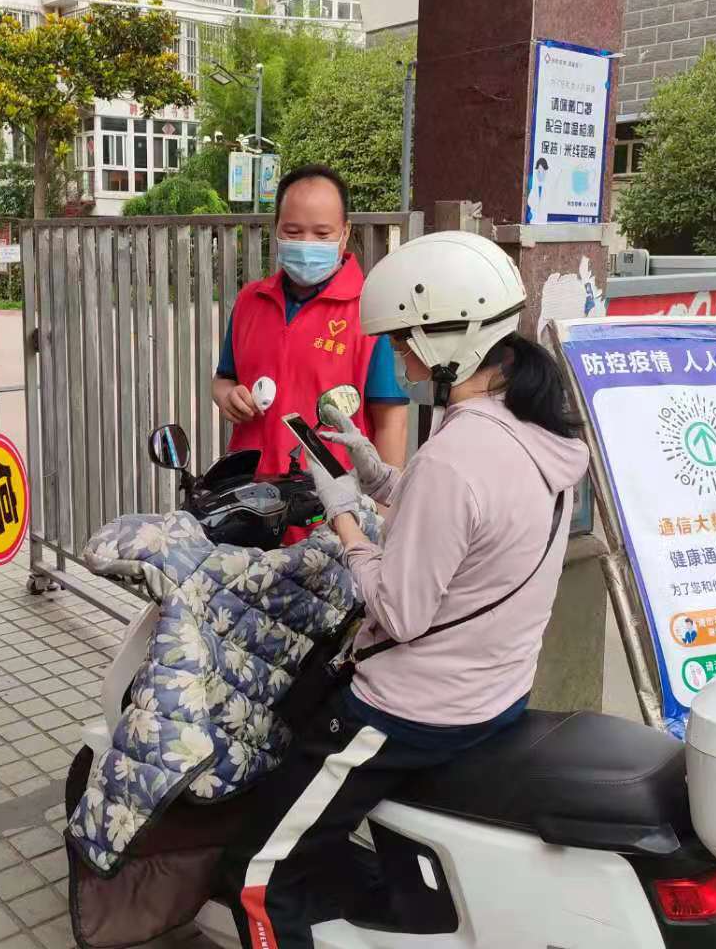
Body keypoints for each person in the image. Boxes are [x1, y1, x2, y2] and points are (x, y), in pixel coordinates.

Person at [217, 232, 589, 949]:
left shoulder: (459, 452)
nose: (399, 360)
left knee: (253, 876)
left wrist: (344, 516)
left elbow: (399, 611)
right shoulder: (531, 428)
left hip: (413, 707)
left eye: (404, 343)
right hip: (494, 691)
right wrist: (371, 470)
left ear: (448, 335)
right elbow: (460, 526)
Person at [212, 164, 407, 493]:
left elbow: (391, 419)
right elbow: (224, 378)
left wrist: (383, 514)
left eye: (321, 233)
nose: (306, 242)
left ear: (344, 233)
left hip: (335, 510)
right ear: (276, 230)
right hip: (250, 501)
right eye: (292, 231)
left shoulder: (370, 312)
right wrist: (226, 396)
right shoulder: (250, 301)